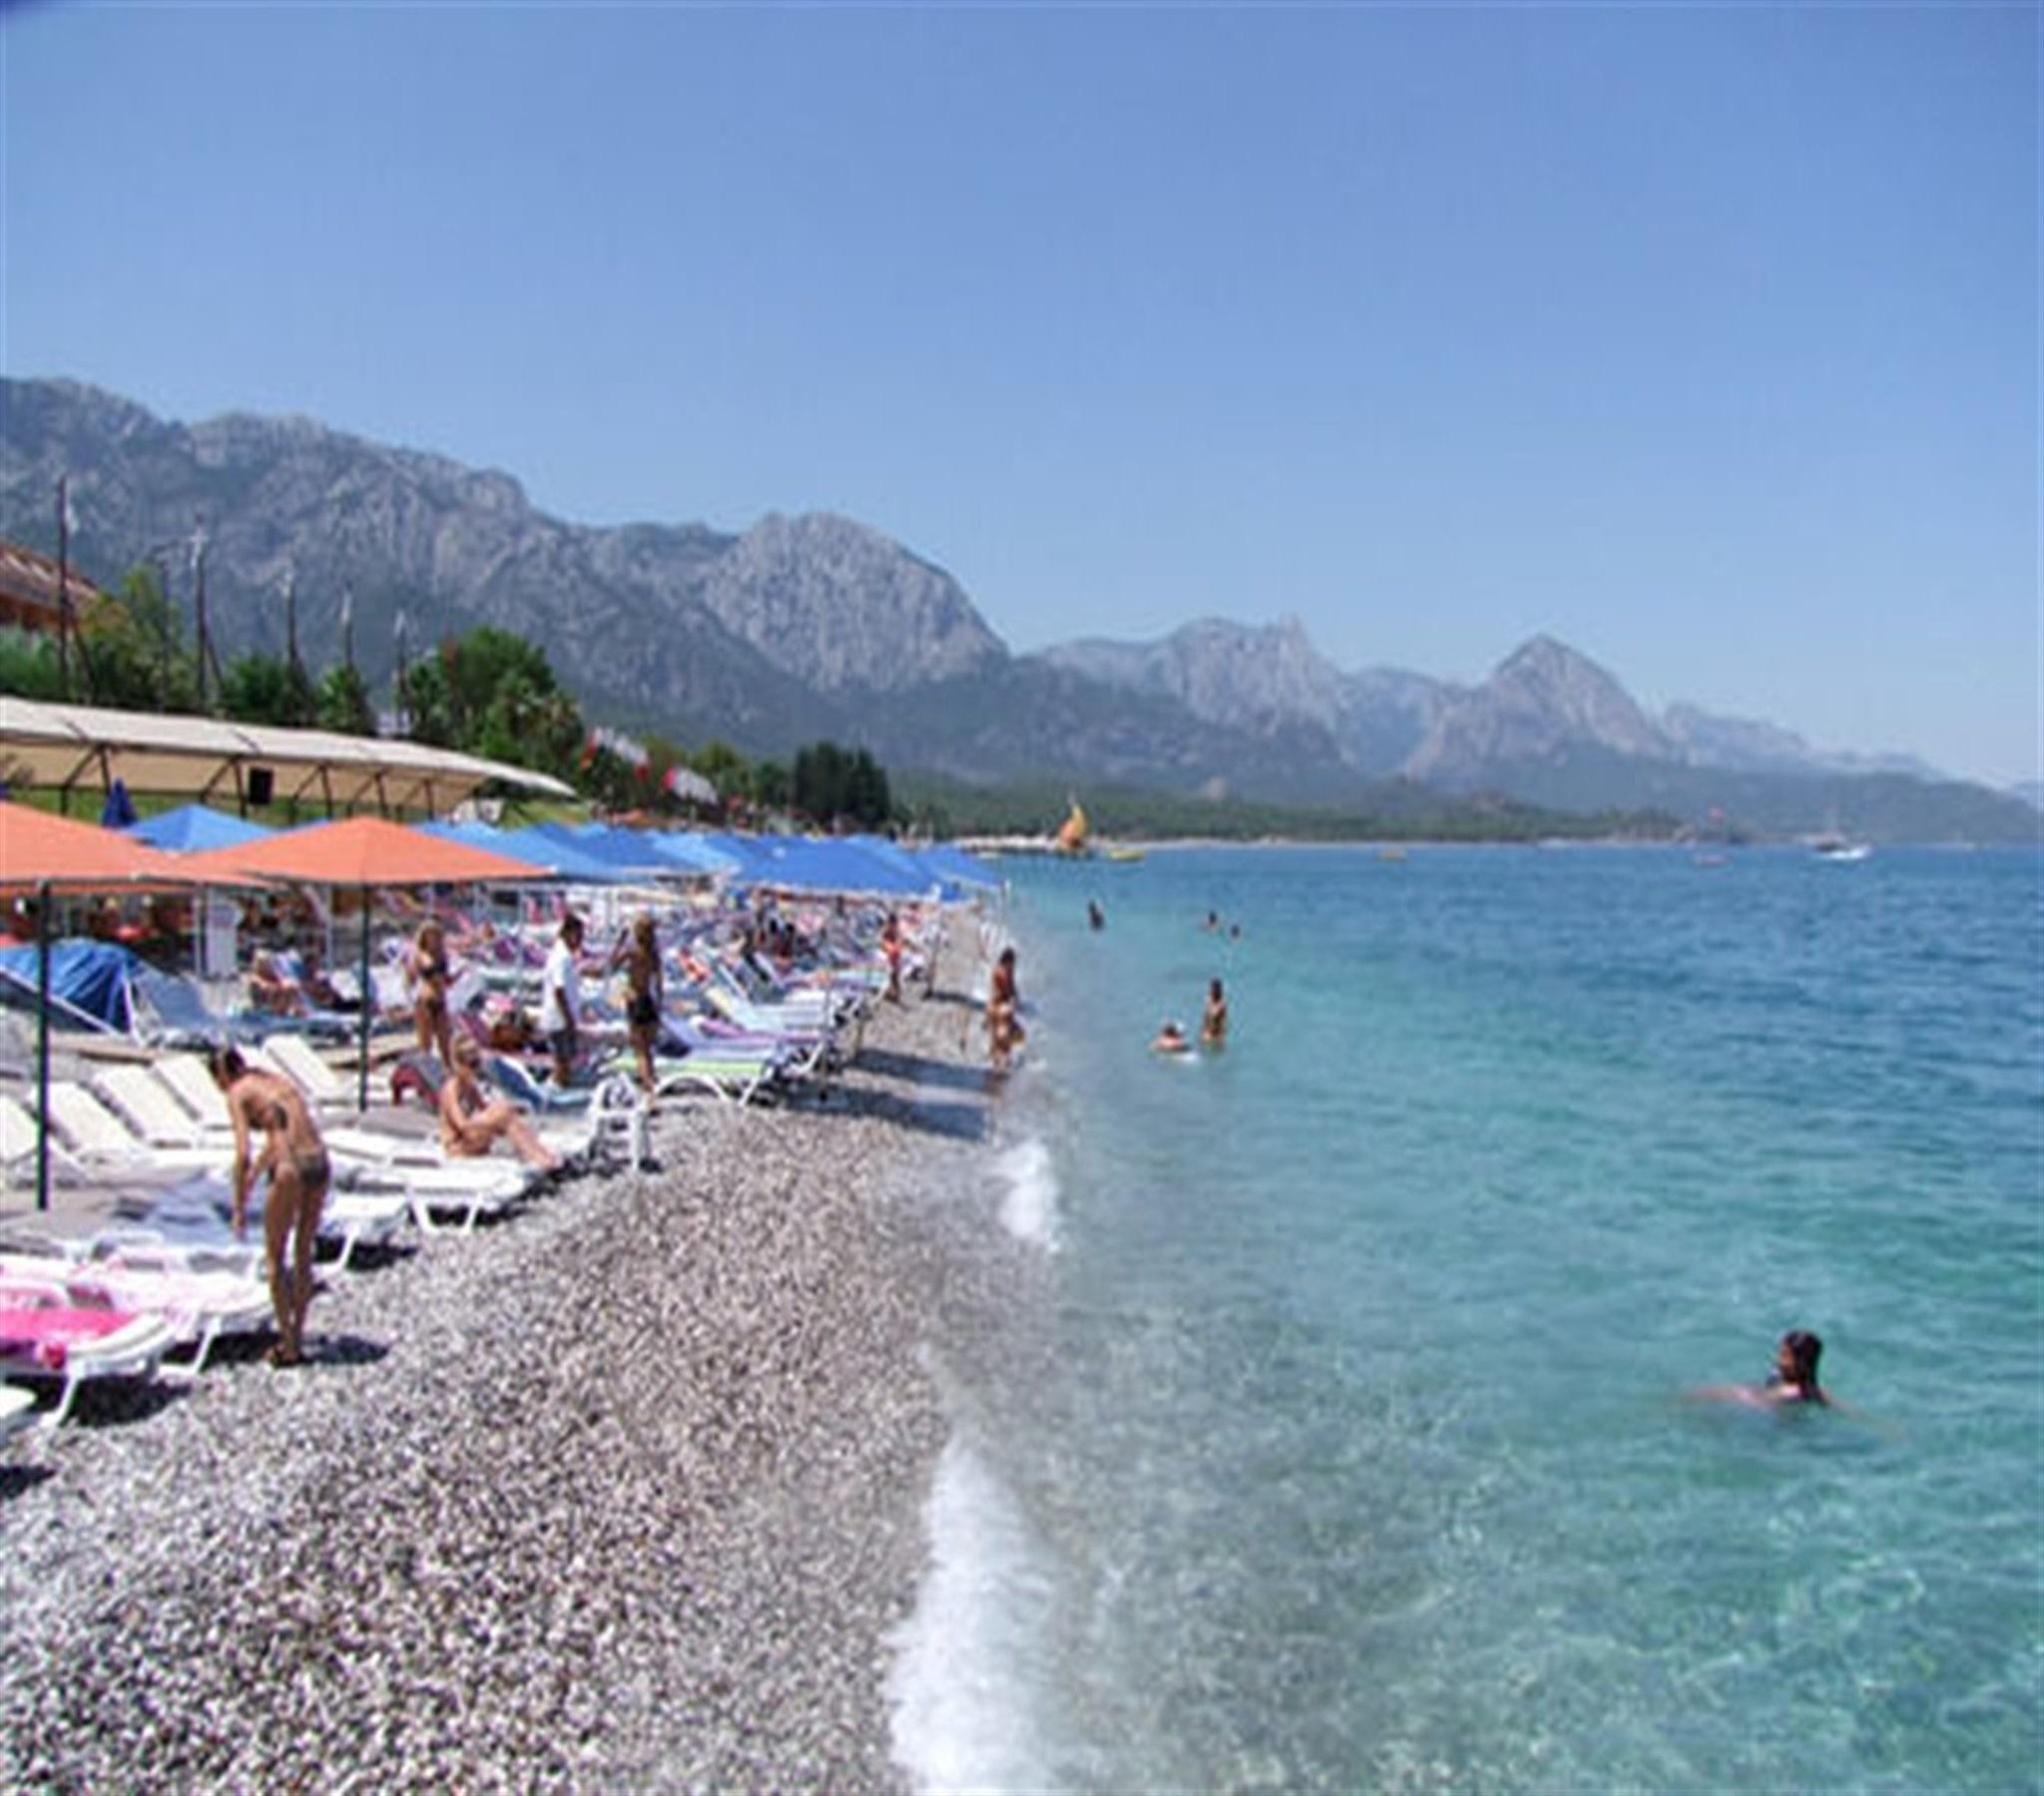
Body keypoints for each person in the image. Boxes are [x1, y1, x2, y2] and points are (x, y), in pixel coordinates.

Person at [210, 1045, 330, 1367]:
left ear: (222, 1076)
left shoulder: (238, 1092)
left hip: (290, 1167)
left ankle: (288, 1345)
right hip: (318, 1159)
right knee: (303, 1251)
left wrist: (238, 1206)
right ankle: (297, 1336)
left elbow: (242, 1153)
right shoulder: (275, 1080)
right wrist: (255, 1177)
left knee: (275, 1257)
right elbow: (279, 1135)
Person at [439, 1038, 561, 1170]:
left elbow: (484, 1109)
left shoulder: (469, 1086)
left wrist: (505, 1112)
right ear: (457, 1064)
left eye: (477, 1064)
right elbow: (462, 1124)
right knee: (502, 1112)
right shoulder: (452, 1088)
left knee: (505, 1112)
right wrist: (495, 1119)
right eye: (472, 1065)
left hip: (474, 1140)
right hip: (458, 1146)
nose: (475, 1069)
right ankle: (540, 1158)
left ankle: (542, 1154)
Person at [1693, 1329, 1832, 1409]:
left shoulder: (1790, 1392)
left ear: (1802, 1363)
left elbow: (1753, 1398)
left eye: (1785, 1356)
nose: (1779, 1360)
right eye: (1781, 1354)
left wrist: (1709, 1394)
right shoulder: (1815, 1390)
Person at [610, 911, 665, 1096]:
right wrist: (659, 1004)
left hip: (635, 1000)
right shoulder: (653, 953)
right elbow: (659, 983)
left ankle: (648, 1087)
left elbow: (612, 965)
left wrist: (619, 941)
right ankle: (651, 1080)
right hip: (649, 1001)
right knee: (648, 1049)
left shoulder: (632, 951)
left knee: (639, 1050)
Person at [538, 912, 586, 1089]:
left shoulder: (564, 955)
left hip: (561, 1017)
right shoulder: (561, 957)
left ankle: (559, 1087)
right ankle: (555, 1091)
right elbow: (559, 989)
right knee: (562, 1062)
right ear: (568, 933)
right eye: (578, 936)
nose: (580, 941)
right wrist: (569, 1019)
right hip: (559, 1019)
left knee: (565, 1061)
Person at [408, 920, 454, 1066]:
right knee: (425, 1045)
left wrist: (456, 977)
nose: (432, 938)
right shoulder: (420, 956)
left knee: (445, 1043)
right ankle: (426, 1072)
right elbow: (410, 979)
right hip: (424, 1002)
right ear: (424, 938)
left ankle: (448, 1071)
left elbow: (445, 980)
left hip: (441, 1000)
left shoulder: (442, 955)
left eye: (435, 935)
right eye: (429, 935)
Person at [986, 945, 1025, 1073]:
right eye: (1012, 962)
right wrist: (1013, 1001)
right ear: (1008, 961)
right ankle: (1001, 1062)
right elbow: (1007, 990)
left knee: (1000, 1035)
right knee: (1004, 1034)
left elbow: (1012, 988)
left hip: (996, 1004)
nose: (1013, 965)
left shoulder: (1005, 971)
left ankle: (998, 1062)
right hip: (999, 1005)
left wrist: (1015, 998)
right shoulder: (1002, 972)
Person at [880, 912, 905, 1004]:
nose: (893, 926)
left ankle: (895, 993)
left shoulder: (897, 931)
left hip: (894, 956)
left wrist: (894, 947)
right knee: (892, 974)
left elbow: (899, 943)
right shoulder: (885, 931)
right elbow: (882, 941)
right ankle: (891, 992)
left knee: (896, 975)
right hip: (888, 956)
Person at [1200, 977, 1229, 1050]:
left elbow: (1222, 1021)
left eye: (1214, 989)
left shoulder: (1221, 1004)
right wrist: (1202, 1032)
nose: (1212, 991)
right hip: (1207, 1034)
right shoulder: (1209, 1001)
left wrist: (1221, 1035)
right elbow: (1205, 1018)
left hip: (1216, 1035)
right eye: (1212, 989)